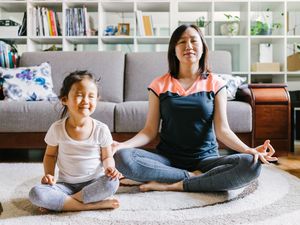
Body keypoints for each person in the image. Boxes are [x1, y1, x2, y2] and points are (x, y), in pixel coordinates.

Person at [113, 24, 278, 193]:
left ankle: (175, 184)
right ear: (174, 50)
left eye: (193, 40)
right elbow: (149, 131)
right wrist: (121, 145)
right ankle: (193, 178)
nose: (189, 46)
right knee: (122, 157)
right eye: (182, 42)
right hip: (167, 159)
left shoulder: (216, 83)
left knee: (251, 164)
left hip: (206, 159)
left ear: (203, 48)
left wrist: (247, 150)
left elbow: (222, 130)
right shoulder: (159, 84)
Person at [29, 71, 121, 212]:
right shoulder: (57, 128)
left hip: (94, 183)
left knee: (112, 183)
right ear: (64, 99)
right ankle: (91, 205)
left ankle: (63, 203)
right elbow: (50, 156)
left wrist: (110, 168)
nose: (86, 100)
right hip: (65, 185)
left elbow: (107, 157)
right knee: (36, 193)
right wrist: (49, 176)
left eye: (91, 96)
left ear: (97, 99)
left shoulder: (101, 129)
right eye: (79, 95)